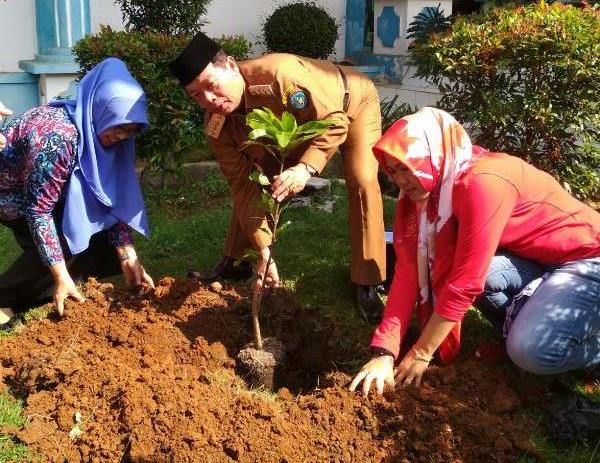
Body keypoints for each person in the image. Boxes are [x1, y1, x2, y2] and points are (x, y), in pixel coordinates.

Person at [350, 107, 600, 397]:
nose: (400, 181)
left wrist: (421, 353)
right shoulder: (425, 196)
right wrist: (384, 351)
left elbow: (466, 282)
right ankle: (521, 326)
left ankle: (588, 347)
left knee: (529, 351)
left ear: (433, 154)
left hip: (587, 258)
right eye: (393, 171)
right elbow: (407, 271)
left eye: (407, 167)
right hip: (540, 260)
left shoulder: (481, 183)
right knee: (473, 274)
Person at [169, 32, 386, 320]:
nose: (209, 100)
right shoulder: (217, 126)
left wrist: (305, 168)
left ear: (231, 66)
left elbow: (335, 122)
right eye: (197, 95)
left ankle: (367, 279)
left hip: (350, 105)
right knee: (254, 182)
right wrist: (264, 250)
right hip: (299, 127)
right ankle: (238, 260)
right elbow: (242, 186)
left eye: (211, 85)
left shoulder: (278, 77)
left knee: (362, 181)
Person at [0, 58, 154, 329]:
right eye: (119, 126)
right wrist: (59, 274)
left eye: (130, 131)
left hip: (49, 192)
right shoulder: (57, 137)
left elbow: (109, 198)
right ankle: (6, 299)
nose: (121, 136)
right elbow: (38, 211)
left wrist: (127, 255)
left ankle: (41, 293)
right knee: (67, 239)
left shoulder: (102, 131)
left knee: (93, 238)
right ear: (101, 109)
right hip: (11, 192)